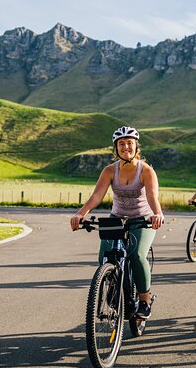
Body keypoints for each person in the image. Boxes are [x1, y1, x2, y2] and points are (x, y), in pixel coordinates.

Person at [70, 126, 164, 320]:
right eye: (121, 144)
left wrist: (157, 213)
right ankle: (115, 285)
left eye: (130, 143)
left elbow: (152, 195)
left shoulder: (146, 171)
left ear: (136, 146)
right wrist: (81, 213)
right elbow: (97, 195)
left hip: (142, 218)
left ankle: (144, 301)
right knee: (104, 256)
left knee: (137, 255)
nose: (126, 147)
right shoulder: (110, 170)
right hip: (117, 217)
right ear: (116, 148)